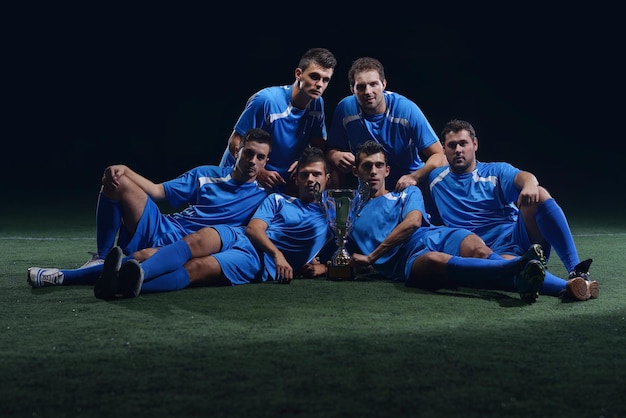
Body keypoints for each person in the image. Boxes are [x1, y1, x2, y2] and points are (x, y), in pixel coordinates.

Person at [27, 128, 273, 289]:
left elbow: (304, 193)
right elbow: (157, 191)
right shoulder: (207, 175)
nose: (253, 161)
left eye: (260, 157)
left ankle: (63, 276)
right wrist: (124, 169)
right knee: (117, 182)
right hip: (166, 226)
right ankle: (100, 258)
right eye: (248, 153)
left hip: (190, 247)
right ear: (237, 151)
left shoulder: (269, 194)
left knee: (142, 260)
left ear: (267, 161)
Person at [93, 147, 334, 299]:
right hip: (241, 235)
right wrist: (279, 254)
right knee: (198, 239)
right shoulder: (278, 198)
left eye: (316, 174)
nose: (310, 179)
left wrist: (324, 267)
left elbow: (350, 251)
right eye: (305, 174)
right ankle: (113, 269)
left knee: (196, 268)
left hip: (257, 259)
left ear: (328, 178)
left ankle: (122, 284)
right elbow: (254, 228)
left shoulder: (334, 211)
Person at [347, 140, 549, 303]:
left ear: (387, 170)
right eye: (367, 166)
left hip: (436, 235)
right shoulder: (346, 209)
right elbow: (340, 251)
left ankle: (568, 285)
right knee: (436, 261)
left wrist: (372, 257)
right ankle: (520, 267)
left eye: (379, 165)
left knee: (480, 252)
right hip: (408, 258)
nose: (373, 171)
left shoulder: (407, 192)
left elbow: (414, 222)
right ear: (356, 171)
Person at [428, 119, 598, 301]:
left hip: (517, 238)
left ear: (475, 144)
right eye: (452, 145)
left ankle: (577, 271)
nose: (458, 150)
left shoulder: (494, 171)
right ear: (444, 149)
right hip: (485, 252)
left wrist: (530, 185)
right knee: (510, 267)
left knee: (539, 193)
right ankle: (570, 288)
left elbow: (524, 177)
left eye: (463, 143)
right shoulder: (435, 180)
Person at [218, 47, 337, 194]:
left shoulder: (317, 103)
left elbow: (318, 143)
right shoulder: (266, 100)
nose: (320, 84)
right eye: (314, 77)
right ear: (298, 74)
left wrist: (303, 163)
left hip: (277, 181)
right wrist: (258, 171)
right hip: (242, 174)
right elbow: (234, 141)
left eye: (325, 80)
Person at [326, 56, 447, 193]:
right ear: (352, 89)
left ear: (383, 84)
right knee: (328, 167)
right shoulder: (345, 109)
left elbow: (439, 155)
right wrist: (334, 155)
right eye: (361, 87)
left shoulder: (405, 110)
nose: (368, 92)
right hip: (371, 185)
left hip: (408, 183)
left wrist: (415, 177)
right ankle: (330, 208)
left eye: (373, 84)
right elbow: (330, 150)